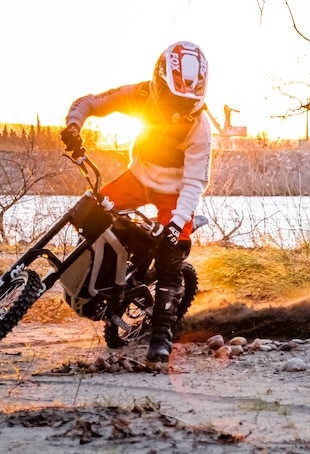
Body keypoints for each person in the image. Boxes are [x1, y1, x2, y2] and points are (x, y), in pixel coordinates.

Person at [59, 41, 211, 363]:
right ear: (158, 82)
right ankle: (100, 279)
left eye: (186, 102)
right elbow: (89, 103)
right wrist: (73, 127)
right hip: (139, 179)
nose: (176, 109)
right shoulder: (137, 96)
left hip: (176, 193)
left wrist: (175, 223)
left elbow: (196, 182)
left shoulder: (199, 126)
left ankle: (160, 336)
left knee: (171, 256)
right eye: (173, 97)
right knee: (91, 213)